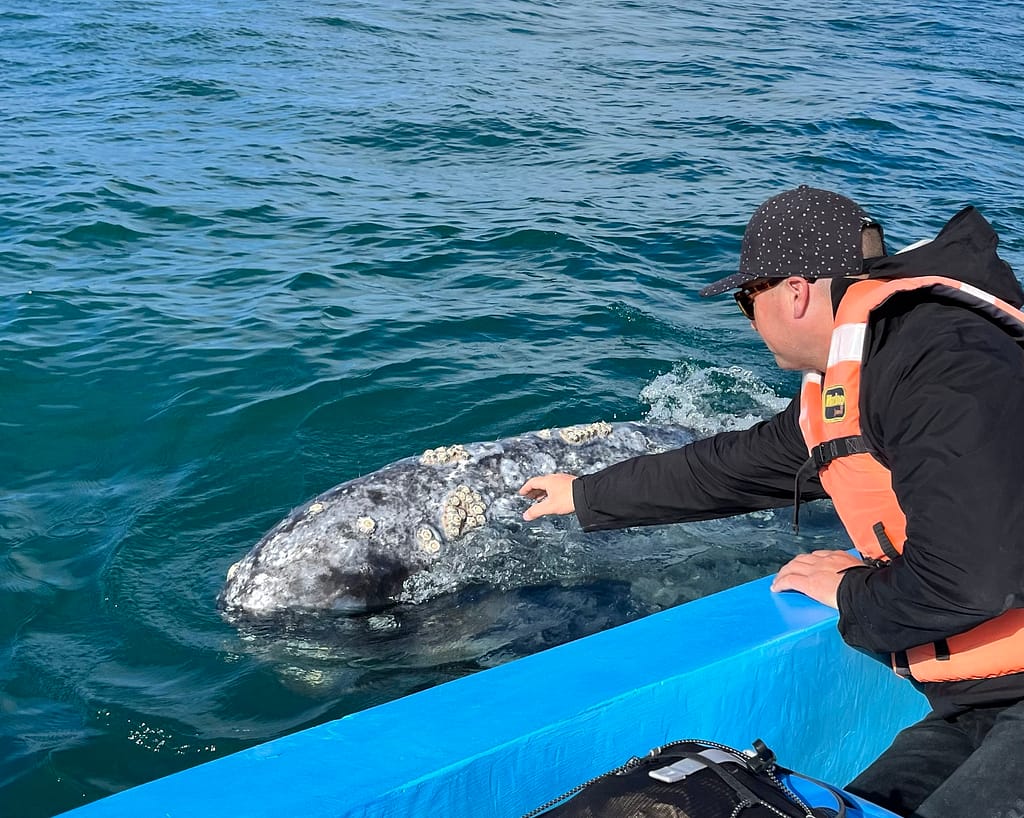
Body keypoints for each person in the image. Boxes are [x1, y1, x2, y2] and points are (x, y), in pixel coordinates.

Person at [518, 186, 1024, 818]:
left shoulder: (945, 363)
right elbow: (738, 465)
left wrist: (850, 592)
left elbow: (970, 581)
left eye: (743, 298)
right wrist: (586, 494)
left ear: (795, 290)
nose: (746, 319)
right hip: (974, 701)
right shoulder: (865, 374)